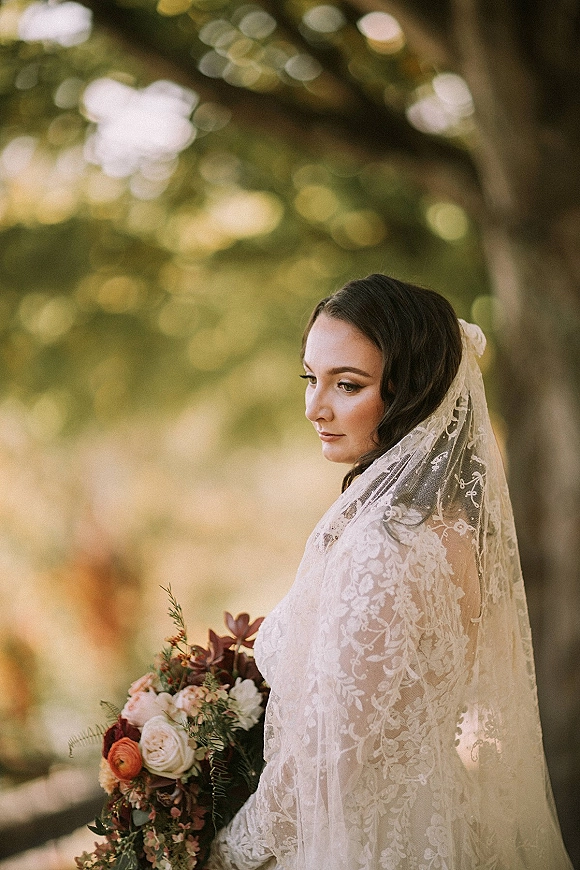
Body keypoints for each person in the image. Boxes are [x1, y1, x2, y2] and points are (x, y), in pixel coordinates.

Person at [207, 274, 573, 870]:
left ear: (411, 391)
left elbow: (331, 758)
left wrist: (221, 852)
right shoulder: (451, 527)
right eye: (311, 378)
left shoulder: (383, 544)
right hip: (437, 827)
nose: (314, 407)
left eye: (347, 384)